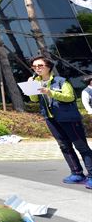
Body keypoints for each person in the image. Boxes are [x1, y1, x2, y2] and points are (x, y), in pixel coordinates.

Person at [29, 55, 92, 188]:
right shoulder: (36, 81)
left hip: (69, 118)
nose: (37, 68)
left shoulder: (61, 81)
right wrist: (31, 87)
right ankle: (76, 173)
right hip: (51, 119)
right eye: (34, 66)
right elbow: (34, 99)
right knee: (64, 146)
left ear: (49, 67)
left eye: (40, 66)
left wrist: (50, 92)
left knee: (81, 147)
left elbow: (70, 97)